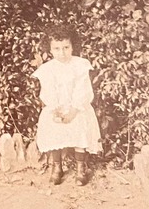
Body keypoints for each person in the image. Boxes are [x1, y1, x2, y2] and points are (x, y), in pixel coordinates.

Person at [31, 24, 101, 186]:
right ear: (49, 49)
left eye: (66, 47)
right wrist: (55, 110)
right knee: (53, 127)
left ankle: (80, 168)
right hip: (57, 108)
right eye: (56, 49)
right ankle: (57, 167)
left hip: (77, 108)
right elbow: (47, 91)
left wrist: (74, 110)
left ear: (72, 46)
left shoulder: (80, 65)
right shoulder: (48, 69)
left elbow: (83, 90)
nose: (61, 53)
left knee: (80, 126)